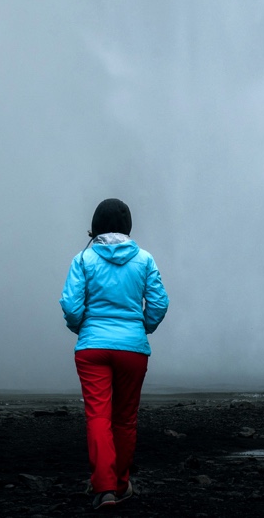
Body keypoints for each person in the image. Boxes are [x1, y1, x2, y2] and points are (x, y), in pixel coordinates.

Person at [59, 197, 169, 509]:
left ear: (94, 226)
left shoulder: (82, 259)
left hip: (92, 348)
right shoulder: (145, 259)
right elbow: (159, 304)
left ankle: (104, 488)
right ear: (128, 227)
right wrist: (141, 328)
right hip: (133, 350)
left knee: (98, 416)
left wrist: (83, 327)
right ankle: (121, 485)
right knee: (124, 419)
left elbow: (70, 305)